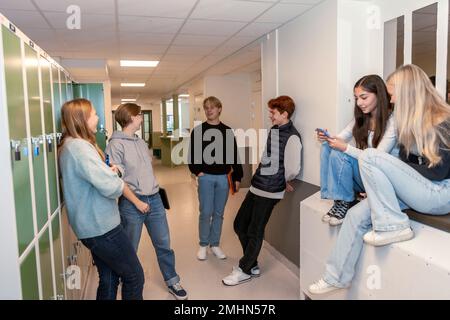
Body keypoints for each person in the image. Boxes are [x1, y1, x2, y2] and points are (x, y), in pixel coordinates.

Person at [309, 64, 450, 295]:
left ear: (408, 92)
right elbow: (405, 164)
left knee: (371, 156)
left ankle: (393, 225)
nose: (390, 100)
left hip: (439, 193)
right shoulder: (409, 123)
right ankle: (335, 277)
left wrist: (387, 177)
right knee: (355, 216)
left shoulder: (443, 121)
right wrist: (380, 184)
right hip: (419, 189)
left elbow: (437, 173)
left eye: (392, 94)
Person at [58, 98, 144, 300]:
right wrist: (116, 174)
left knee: (109, 278)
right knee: (134, 276)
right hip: (102, 228)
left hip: (92, 227)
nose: (97, 117)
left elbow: (101, 176)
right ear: (82, 119)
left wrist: (111, 171)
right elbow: (112, 187)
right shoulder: (79, 148)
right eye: (94, 113)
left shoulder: (72, 145)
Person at [105, 103, 188, 300]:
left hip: (155, 200)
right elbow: (118, 181)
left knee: (164, 244)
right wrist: (137, 202)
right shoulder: (115, 145)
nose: (141, 117)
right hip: (132, 203)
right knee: (130, 247)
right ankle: (127, 280)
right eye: (139, 115)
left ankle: (172, 281)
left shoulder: (140, 142)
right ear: (131, 118)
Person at [222, 96, 302, 286]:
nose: (270, 116)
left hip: (270, 191)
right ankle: (252, 264)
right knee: (240, 224)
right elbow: (268, 157)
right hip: (257, 185)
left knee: (255, 230)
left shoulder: (292, 136)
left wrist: (284, 180)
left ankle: (245, 269)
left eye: (273, 112)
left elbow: (293, 168)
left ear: (284, 114)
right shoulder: (274, 130)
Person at [319, 75, 398, 226]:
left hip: (384, 176)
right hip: (367, 172)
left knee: (341, 152)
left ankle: (345, 201)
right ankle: (339, 199)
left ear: (379, 95)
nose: (359, 103)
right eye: (356, 98)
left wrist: (345, 147)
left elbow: (376, 158)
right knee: (327, 147)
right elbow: (340, 138)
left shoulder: (393, 121)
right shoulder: (362, 118)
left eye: (364, 97)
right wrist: (327, 137)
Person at [188, 96, 244, 261]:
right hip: (205, 178)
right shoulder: (198, 131)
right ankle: (203, 245)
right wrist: (197, 172)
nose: (209, 110)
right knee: (206, 212)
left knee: (219, 213)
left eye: (212, 107)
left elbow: (234, 155)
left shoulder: (227, 131)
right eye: (206, 107)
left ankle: (215, 244)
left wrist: (238, 176)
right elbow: (192, 155)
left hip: (223, 178)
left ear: (219, 109)